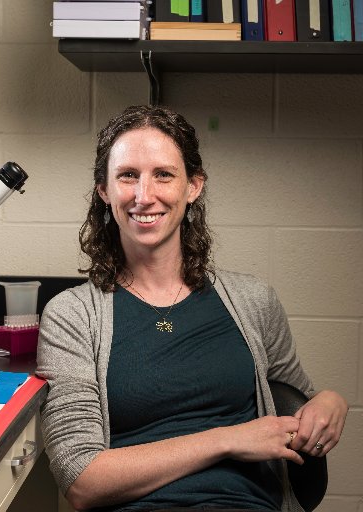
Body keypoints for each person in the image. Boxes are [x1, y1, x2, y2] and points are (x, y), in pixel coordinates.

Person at [36, 105, 348, 512]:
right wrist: (228, 439)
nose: (144, 196)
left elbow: (294, 397)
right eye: (127, 175)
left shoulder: (253, 301)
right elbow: (80, 479)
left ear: (193, 186)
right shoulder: (73, 317)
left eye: (163, 175)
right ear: (104, 191)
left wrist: (328, 400)